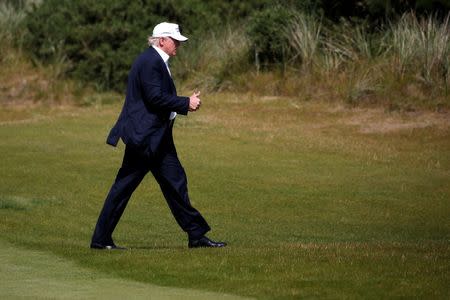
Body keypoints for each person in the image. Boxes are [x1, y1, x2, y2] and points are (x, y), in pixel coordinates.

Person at [90, 22, 226, 250]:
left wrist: (182, 103)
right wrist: (186, 102)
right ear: (162, 40)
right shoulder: (151, 62)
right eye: (175, 41)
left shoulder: (154, 61)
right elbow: (155, 98)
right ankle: (100, 239)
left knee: (176, 183)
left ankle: (196, 235)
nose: (179, 46)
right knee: (123, 187)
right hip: (145, 139)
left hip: (157, 139)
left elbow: (156, 97)